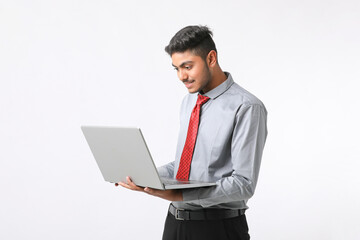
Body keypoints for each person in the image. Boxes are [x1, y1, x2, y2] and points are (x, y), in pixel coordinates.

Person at [116, 25, 268, 240]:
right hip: (175, 223)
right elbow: (185, 166)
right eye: (176, 68)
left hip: (218, 228)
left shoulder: (247, 107)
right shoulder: (189, 102)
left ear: (211, 58)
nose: (181, 76)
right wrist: (145, 175)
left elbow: (243, 184)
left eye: (187, 66)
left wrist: (179, 194)